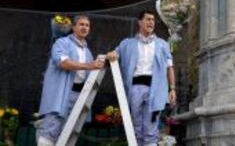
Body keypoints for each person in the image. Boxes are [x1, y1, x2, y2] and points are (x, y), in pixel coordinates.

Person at [106, 9, 176, 146]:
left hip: (155, 89)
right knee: (136, 127)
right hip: (135, 88)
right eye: (148, 19)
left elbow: (170, 67)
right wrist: (112, 54)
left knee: (151, 128)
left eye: (153, 20)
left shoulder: (162, 44)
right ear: (140, 22)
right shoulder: (127, 43)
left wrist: (172, 89)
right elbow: (114, 53)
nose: (151, 22)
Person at [37, 15, 105, 146]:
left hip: (79, 95)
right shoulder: (62, 42)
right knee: (50, 131)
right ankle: (43, 128)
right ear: (73, 27)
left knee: (67, 133)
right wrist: (88, 65)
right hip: (61, 93)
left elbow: (91, 72)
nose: (85, 27)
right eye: (81, 24)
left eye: (87, 25)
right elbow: (62, 62)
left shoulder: (88, 51)